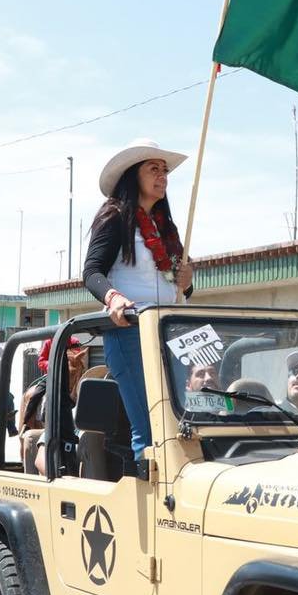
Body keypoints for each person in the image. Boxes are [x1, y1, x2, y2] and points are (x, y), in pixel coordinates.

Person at [82, 138, 194, 461]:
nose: (163, 176)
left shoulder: (166, 229)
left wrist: (186, 285)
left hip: (170, 335)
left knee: (179, 426)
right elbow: (91, 272)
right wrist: (113, 296)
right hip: (130, 332)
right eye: (153, 169)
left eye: (165, 171)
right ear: (134, 175)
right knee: (150, 432)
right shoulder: (115, 216)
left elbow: (177, 286)